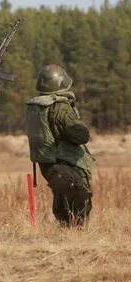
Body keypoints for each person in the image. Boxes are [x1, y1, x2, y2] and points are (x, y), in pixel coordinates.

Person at [25, 64, 94, 227]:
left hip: (47, 164)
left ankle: (65, 233)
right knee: (79, 200)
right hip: (65, 162)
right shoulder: (60, 107)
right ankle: (75, 237)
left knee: (62, 198)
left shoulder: (36, 107)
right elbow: (80, 136)